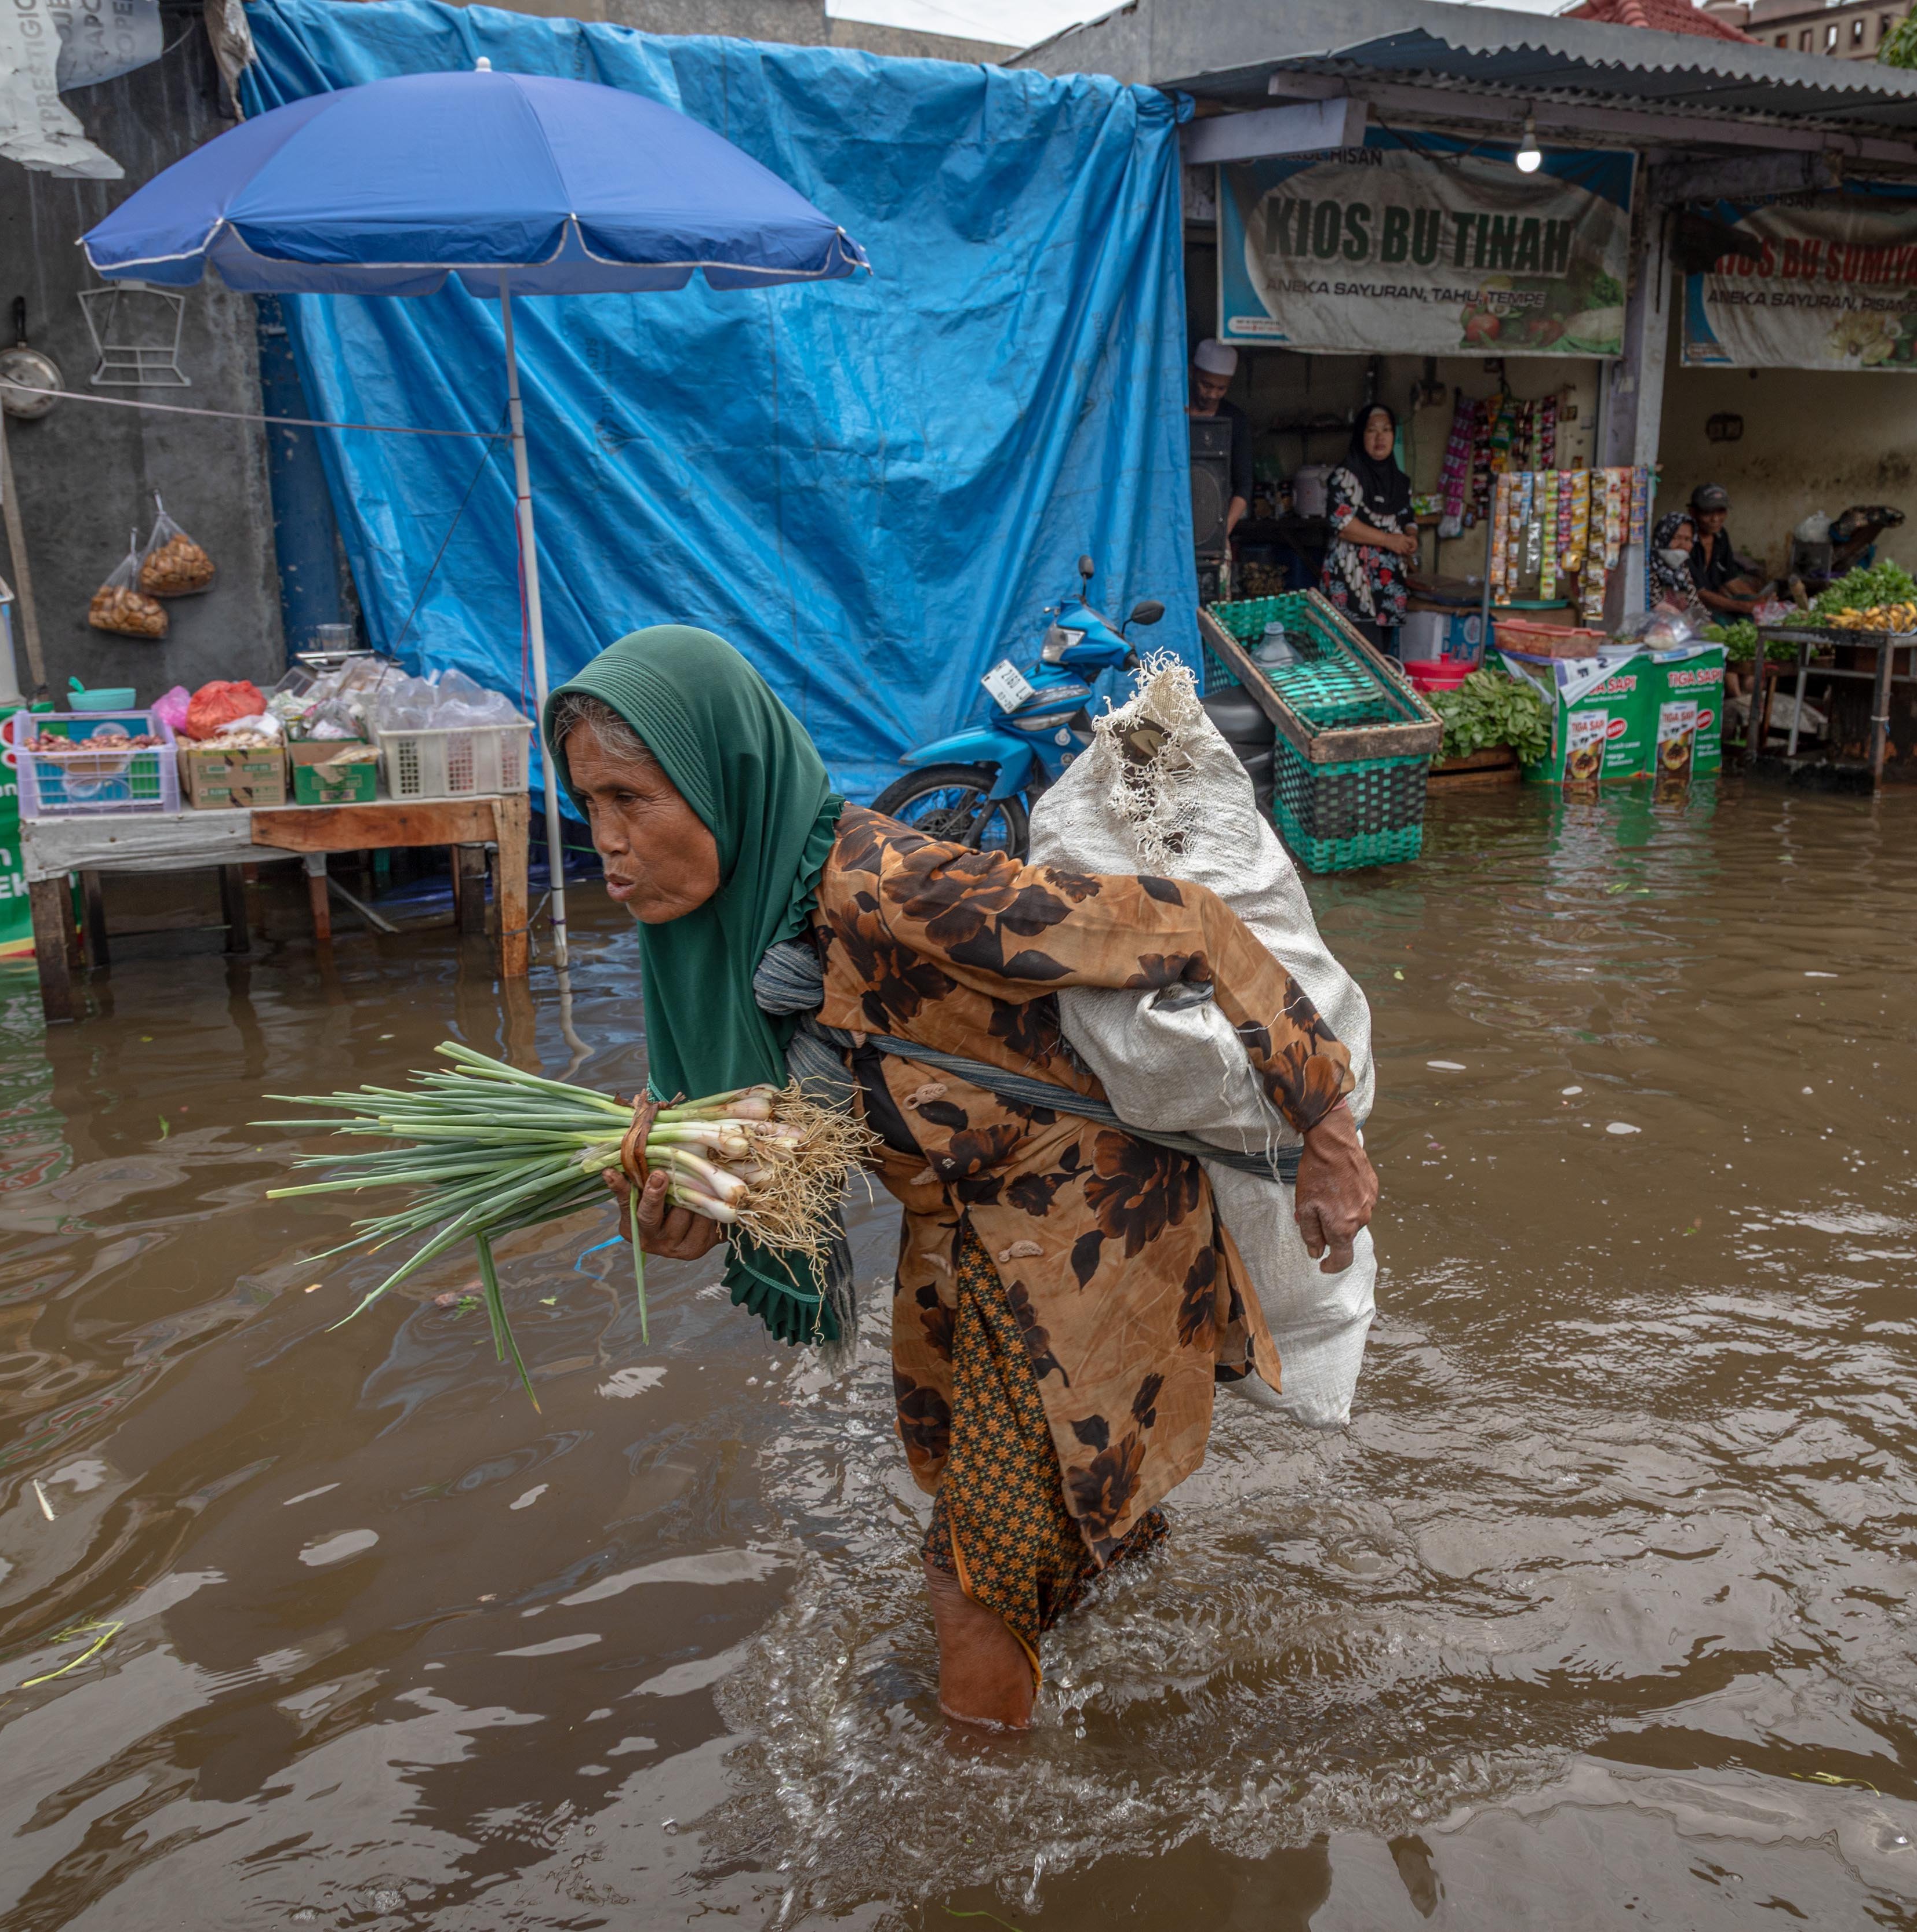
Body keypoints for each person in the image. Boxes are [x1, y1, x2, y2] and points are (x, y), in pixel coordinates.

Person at [549, 627, 1378, 1731]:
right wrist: (671, 1212)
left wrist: (1327, 1126)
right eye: (586, 807)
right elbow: (736, 1212)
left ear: (722, 775)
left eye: (632, 799)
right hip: (968, 1240)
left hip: (1094, 1224)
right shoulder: (724, 952)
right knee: (1039, 1520)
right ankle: (1153, 1710)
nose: (605, 844)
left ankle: (990, 1841)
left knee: (968, 1578)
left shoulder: (888, 886)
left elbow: (1190, 924)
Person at [1326, 402, 1417, 649]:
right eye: (1372, 430)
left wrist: (1410, 536)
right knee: (1359, 658)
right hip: (1353, 584)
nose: (1380, 437)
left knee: (1383, 657)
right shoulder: (1346, 476)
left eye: (1387, 430)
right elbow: (1342, 523)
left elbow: (1408, 517)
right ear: (1360, 435)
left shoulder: (1400, 482)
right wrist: (1390, 541)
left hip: (1388, 588)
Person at [1188, 340, 1253, 556]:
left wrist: (1222, 533)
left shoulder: (1236, 420)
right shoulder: (1173, 412)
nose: (1213, 395)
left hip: (1212, 528)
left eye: (1221, 388)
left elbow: (1244, 485)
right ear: (1192, 373)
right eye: (1207, 385)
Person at [1687, 485, 1766, 617]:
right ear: (1693, 512)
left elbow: (1730, 580)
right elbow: (1698, 592)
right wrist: (1744, 607)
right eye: (1708, 513)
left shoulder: (1721, 536)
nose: (1716, 519)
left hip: (1712, 605)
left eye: (1721, 511)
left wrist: (1760, 602)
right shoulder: (1686, 540)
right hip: (1688, 610)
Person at [1648, 510, 1698, 613]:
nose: (1682, 544)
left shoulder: (1682, 569)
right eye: (1677, 538)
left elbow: (1695, 604)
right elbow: (1654, 607)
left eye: (1688, 539)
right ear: (1663, 537)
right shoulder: (1649, 566)